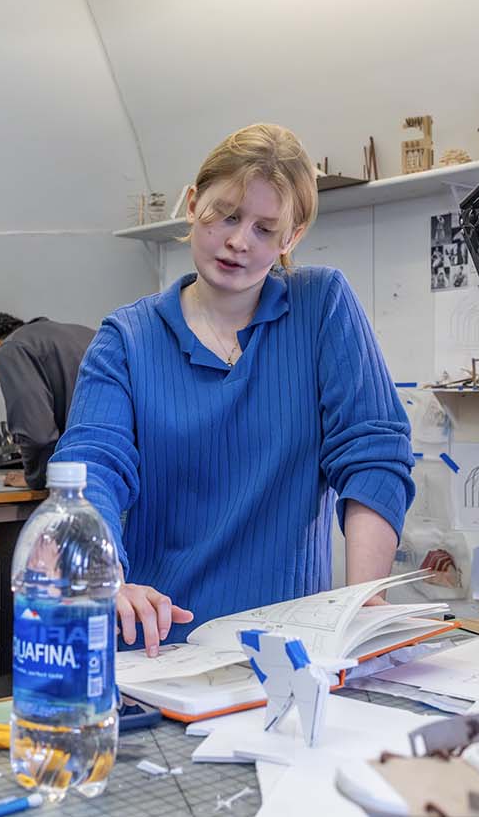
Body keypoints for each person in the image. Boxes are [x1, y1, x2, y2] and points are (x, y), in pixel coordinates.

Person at [52, 123, 415, 654]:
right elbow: (91, 468)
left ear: (292, 237)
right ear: (193, 203)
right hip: (160, 648)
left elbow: (373, 454)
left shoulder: (322, 307)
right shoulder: (126, 338)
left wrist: (362, 599)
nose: (239, 241)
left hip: (291, 649)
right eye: (226, 214)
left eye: (266, 229)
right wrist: (106, 576)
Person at [0, 312, 96, 489]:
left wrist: (35, 478)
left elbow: (36, 433)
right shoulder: (89, 334)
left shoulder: (10, 348)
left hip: (85, 482)